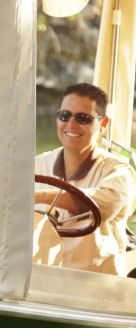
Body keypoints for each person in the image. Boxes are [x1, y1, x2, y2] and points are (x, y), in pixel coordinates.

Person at [35, 82, 136, 276]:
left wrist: (37, 196)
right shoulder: (37, 164)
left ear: (103, 124)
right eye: (64, 115)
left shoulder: (119, 170)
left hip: (96, 284)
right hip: (42, 278)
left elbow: (104, 204)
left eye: (83, 118)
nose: (71, 124)